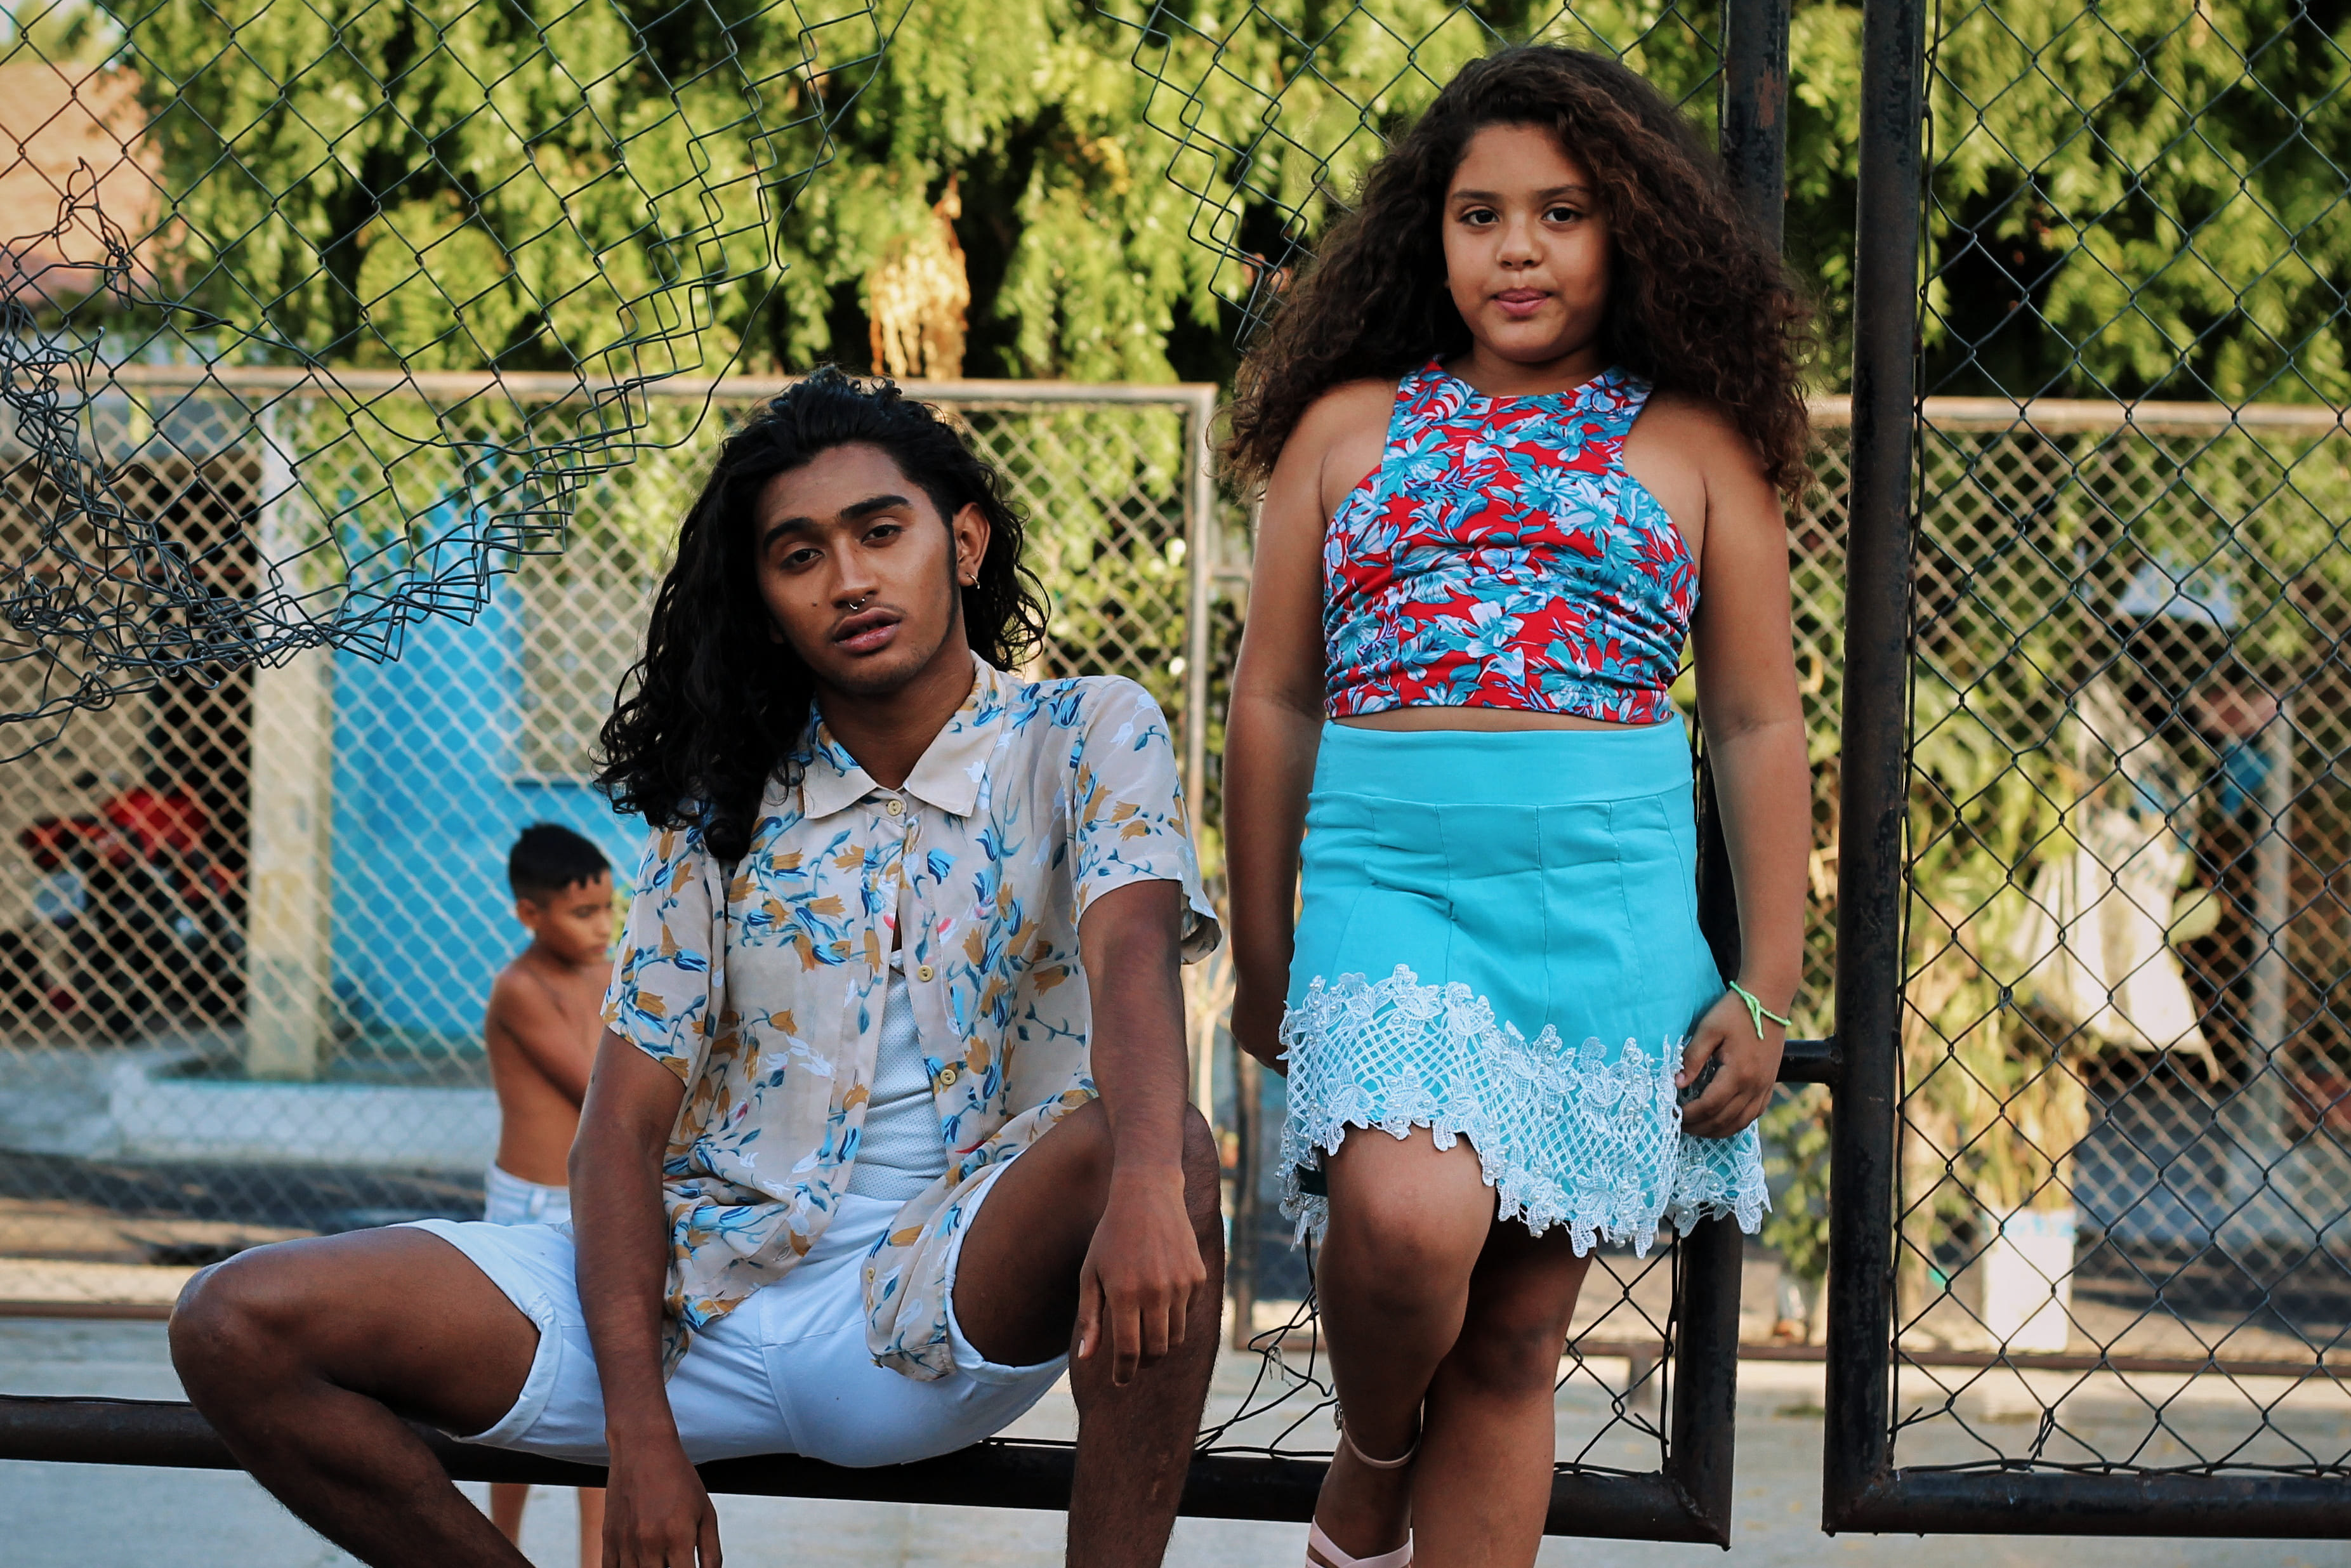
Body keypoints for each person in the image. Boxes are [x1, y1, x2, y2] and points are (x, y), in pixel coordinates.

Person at [169, 367, 1227, 1568]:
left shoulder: (1087, 732)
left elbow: (1133, 956)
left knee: (1166, 1149)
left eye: (882, 532)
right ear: (765, 600)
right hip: (692, 1296)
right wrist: (641, 1435)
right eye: (800, 555)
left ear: (965, 542)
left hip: (929, 1308)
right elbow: (618, 1131)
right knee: (234, 1320)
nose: (849, 579)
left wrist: (1147, 1181)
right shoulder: (725, 799)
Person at [1220, 46, 1812, 1568]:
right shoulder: (1347, 430)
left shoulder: (1693, 450)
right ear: (1430, 234)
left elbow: (1754, 722)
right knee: (1406, 1220)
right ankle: (1372, 1455)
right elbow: (1273, 697)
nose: (1518, 250)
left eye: (1561, 212)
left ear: (1632, 232)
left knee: (1511, 1340)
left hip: (1600, 915)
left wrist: (1766, 980)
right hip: (1393, 888)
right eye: (1478, 215)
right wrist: (1264, 945)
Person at [481, 821, 617, 1564]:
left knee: (601, 1390)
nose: (602, 926)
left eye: (608, 908)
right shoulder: (521, 989)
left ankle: (595, 1556)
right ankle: (500, 1543)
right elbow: (598, 1091)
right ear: (531, 913)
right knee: (519, 1385)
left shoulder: (610, 972)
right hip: (528, 1207)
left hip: (593, 1203)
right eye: (583, 912)